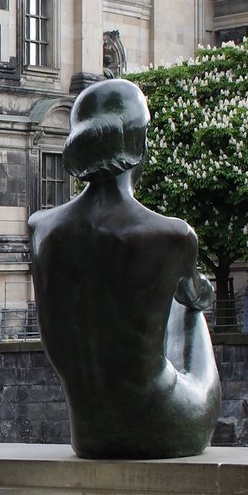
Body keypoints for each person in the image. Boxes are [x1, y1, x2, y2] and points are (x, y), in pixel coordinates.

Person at [28, 78, 221, 459]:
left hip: (88, 435)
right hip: (167, 426)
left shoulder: (40, 228)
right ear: (140, 142)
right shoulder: (171, 235)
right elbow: (197, 298)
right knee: (189, 305)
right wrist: (194, 293)